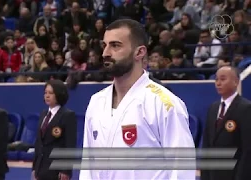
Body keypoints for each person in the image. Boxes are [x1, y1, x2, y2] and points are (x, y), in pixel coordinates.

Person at [79, 19, 195, 179]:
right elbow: (88, 167)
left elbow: (181, 169)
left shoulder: (164, 103)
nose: (106, 53)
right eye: (104, 45)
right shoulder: (96, 101)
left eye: (115, 45)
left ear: (139, 52)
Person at [201, 66, 251, 180]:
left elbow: (247, 149)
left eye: (223, 79)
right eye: (216, 79)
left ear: (236, 82)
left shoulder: (246, 108)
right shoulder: (213, 108)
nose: (218, 83)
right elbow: (207, 145)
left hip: (233, 173)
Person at [32, 80, 77, 180]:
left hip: (57, 170)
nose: (47, 96)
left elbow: (70, 145)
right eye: (45, 93)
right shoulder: (43, 114)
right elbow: (39, 143)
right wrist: (35, 168)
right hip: (41, 168)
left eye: (51, 93)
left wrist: (66, 170)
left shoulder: (67, 115)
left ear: (59, 94)